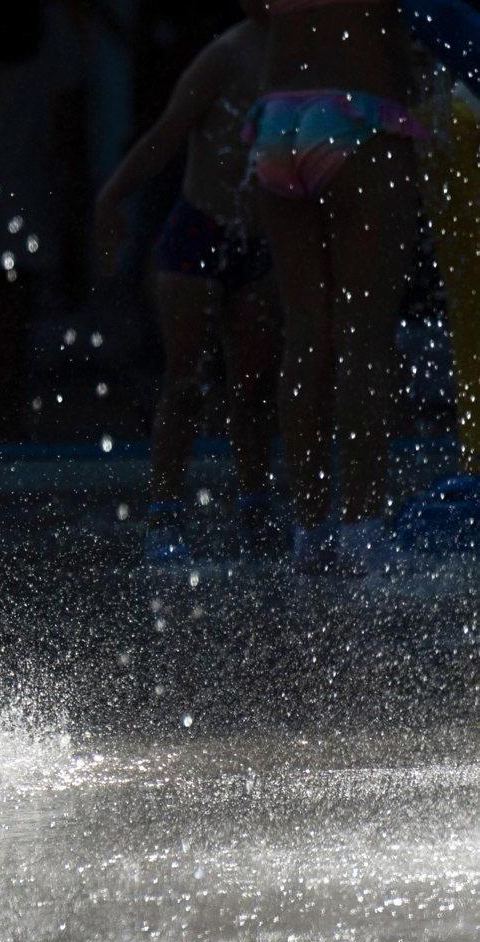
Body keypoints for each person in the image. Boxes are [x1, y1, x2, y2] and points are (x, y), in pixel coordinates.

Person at [95, 3, 280, 564]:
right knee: (186, 382)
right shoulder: (227, 56)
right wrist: (113, 195)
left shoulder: (309, 52)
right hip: (199, 230)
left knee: (253, 388)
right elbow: (167, 135)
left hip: (258, 237)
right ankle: (165, 511)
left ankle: (255, 505)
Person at [248, 0, 424, 573]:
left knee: (306, 331)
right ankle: (363, 530)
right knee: (364, 334)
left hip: (277, 118)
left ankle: (310, 532)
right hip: (358, 111)